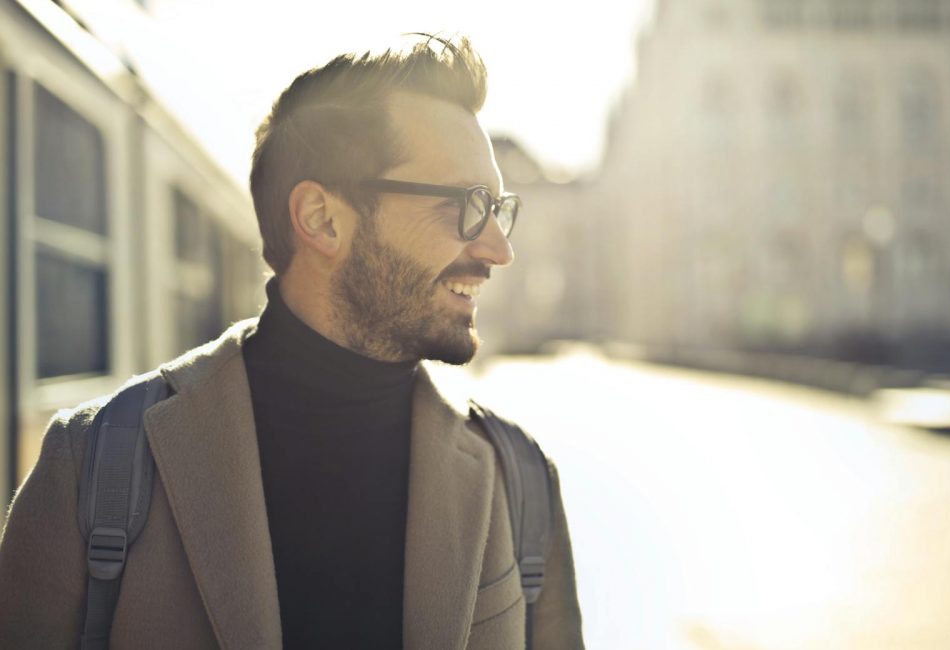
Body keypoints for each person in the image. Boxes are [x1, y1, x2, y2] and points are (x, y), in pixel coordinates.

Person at [0, 35, 584, 649]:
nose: (499, 250)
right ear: (322, 219)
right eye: (467, 206)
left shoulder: (518, 478)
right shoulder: (93, 467)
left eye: (497, 208)